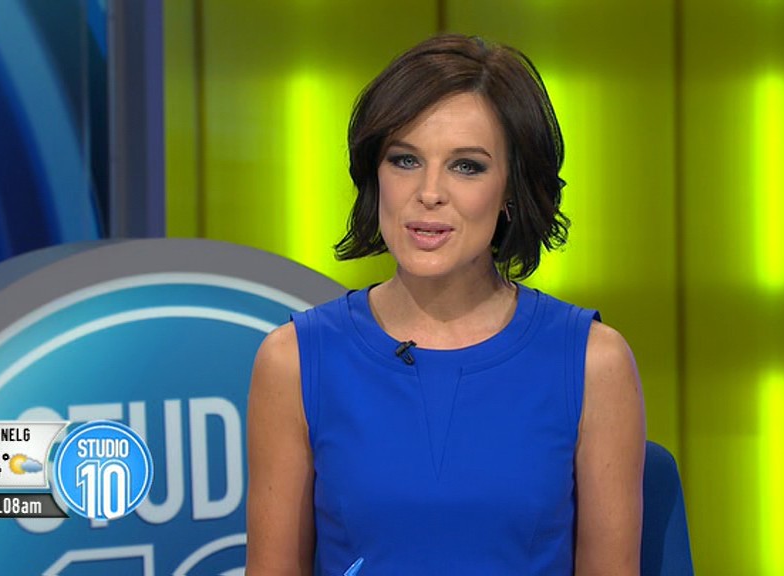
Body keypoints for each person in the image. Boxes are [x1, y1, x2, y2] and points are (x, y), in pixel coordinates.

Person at [246, 34, 645, 575]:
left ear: (511, 189)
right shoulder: (292, 360)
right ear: (375, 175)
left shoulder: (595, 362)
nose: (429, 192)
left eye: (467, 166)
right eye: (405, 160)